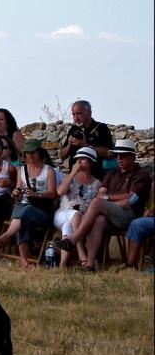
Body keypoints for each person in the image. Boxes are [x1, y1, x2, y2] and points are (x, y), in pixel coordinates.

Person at [56, 139, 153, 270]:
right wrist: (115, 201)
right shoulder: (112, 174)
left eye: (123, 155)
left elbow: (131, 198)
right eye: (117, 155)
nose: (119, 159)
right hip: (110, 214)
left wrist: (107, 199)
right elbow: (100, 194)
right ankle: (89, 264)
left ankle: (73, 239)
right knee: (99, 220)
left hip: (129, 215)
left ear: (133, 157)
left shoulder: (141, 175)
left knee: (96, 203)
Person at [0, 139, 57, 270]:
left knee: (24, 213)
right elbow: (18, 187)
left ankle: (7, 235)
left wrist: (37, 195)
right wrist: (16, 192)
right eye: (27, 152)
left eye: (32, 152)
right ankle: (24, 261)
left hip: (42, 209)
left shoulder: (48, 170)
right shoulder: (21, 170)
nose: (29, 155)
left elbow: (53, 194)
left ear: (39, 152)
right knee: (23, 218)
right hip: (24, 207)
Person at [52, 147, 101, 268]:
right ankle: (81, 252)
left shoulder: (97, 183)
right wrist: (73, 172)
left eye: (83, 159)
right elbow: (60, 192)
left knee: (68, 226)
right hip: (63, 213)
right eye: (77, 159)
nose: (79, 162)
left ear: (91, 162)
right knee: (75, 215)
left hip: (82, 219)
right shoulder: (70, 178)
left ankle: (62, 265)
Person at [59, 100, 112, 178]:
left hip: (96, 178)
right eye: (73, 114)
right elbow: (62, 156)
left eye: (79, 114)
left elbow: (109, 153)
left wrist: (85, 145)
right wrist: (69, 145)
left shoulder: (101, 128)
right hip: (75, 178)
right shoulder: (73, 129)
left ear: (89, 113)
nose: (76, 118)